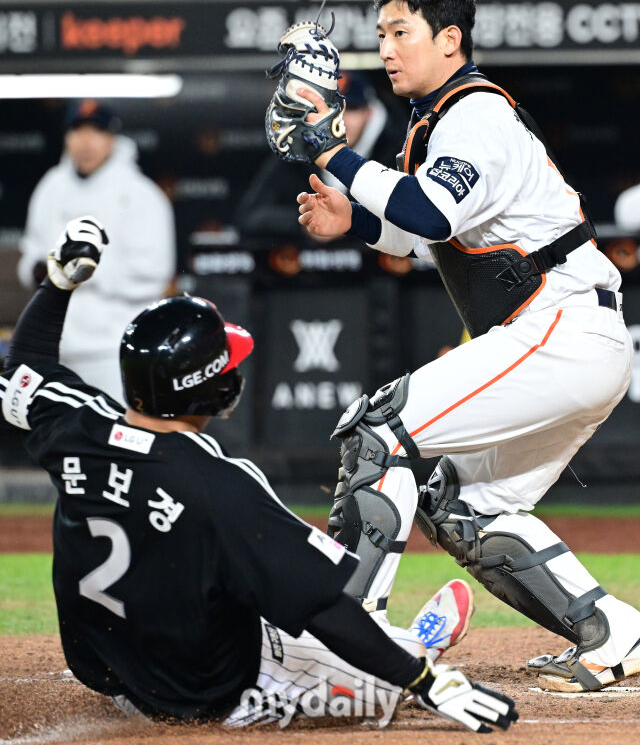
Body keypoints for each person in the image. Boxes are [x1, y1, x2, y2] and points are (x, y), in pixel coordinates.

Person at [0, 215, 517, 732]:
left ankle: (396, 644)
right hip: (210, 695)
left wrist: (60, 283)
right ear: (208, 389)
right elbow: (323, 608)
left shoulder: (75, 425)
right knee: (338, 657)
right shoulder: (219, 483)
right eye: (224, 365)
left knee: (241, 580)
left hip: (110, 674)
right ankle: (413, 648)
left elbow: (24, 367)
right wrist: (422, 679)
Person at [291, 0, 640, 692]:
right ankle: (614, 633)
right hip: (565, 336)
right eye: (379, 33)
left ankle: (350, 642)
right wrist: (349, 218)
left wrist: (334, 154)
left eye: (399, 31)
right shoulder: (438, 121)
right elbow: (417, 236)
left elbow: (428, 213)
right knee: (463, 505)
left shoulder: (475, 113)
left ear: (449, 39)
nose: (385, 48)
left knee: (378, 427)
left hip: (562, 327)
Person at [17, 100, 176, 402]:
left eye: (96, 131)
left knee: (115, 440)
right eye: (77, 131)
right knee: (55, 442)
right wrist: (42, 269)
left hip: (113, 350)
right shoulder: (51, 187)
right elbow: (30, 257)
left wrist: (84, 269)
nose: (85, 141)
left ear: (112, 138)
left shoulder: (140, 195)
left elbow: (153, 273)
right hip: (54, 348)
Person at [236, 71, 406, 239]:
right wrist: (308, 221)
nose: (341, 120)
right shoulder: (297, 149)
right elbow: (250, 216)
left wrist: (352, 221)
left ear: (369, 112)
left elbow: (415, 219)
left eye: (351, 108)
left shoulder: (399, 149)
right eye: (331, 110)